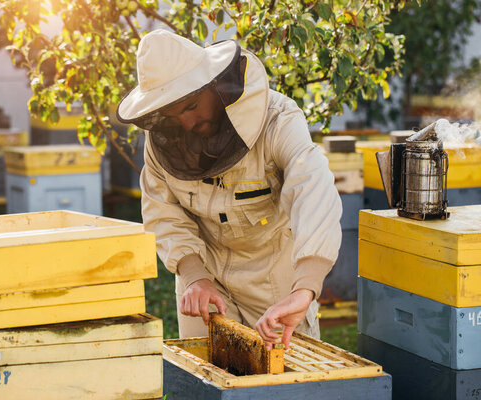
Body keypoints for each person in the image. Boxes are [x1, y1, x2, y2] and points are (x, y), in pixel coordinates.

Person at [116, 29, 342, 349]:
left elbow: (312, 189)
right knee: (206, 385)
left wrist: (305, 287)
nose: (187, 123)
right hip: (202, 290)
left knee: (290, 387)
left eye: (191, 105)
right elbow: (162, 211)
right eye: (172, 113)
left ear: (215, 84)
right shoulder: (162, 143)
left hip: (274, 286)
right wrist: (193, 274)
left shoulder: (278, 119)